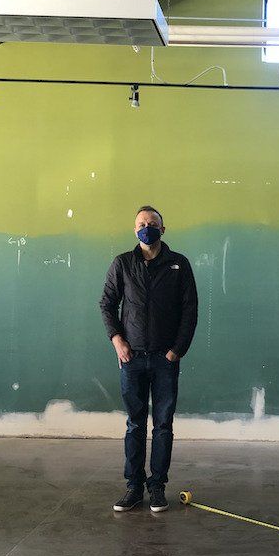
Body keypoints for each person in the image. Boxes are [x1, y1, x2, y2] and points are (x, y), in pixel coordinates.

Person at [100, 206, 198, 513]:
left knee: (163, 425)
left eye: (152, 223)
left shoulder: (178, 264)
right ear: (135, 230)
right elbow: (107, 304)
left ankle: (157, 487)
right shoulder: (123, 264)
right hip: (132, 358)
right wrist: (117, 341)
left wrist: (176, 350)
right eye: (141, 224)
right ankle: (134, 486)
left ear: (162, 229)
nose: (147, 227)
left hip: (165, 359)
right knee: (135, 425)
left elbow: (190, 310)